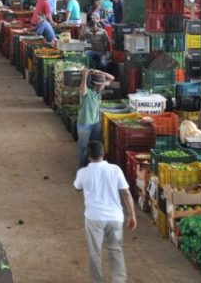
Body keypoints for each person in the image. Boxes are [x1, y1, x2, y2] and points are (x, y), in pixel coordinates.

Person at [74, 140, 136, 283]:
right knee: (116, 250)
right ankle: (119, 281)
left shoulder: (83, 173)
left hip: (94, 218)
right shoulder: (115, 169)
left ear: (88, 156)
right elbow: (126, 193)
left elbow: (77, 187)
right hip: (115, 218)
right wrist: (132, 215)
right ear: (103, 153)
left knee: (95, 253)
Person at [76, 69, 114, 168]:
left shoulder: (98, 92)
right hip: (84, 124)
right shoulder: (87, 92)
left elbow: (112, 78)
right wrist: (84, 76)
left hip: (96, 124)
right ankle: (82, 167)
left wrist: (99, 71)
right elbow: (82, 90)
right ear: (94, 84)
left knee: (97, 145)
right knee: (83, 147)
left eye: (102, 84)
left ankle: (95, 166)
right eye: (100, 84)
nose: (102, 86)